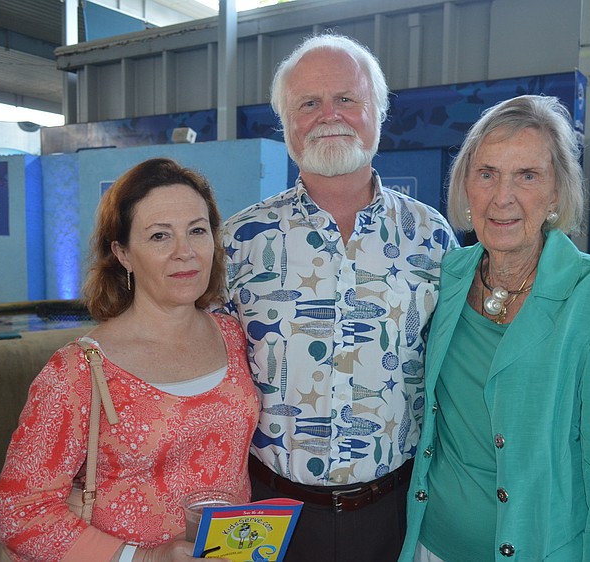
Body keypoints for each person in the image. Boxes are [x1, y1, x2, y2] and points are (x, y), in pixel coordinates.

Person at [399, 95, 590, 561]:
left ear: (557, 193)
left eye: (527, 176)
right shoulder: (445, 278)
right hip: (432, 545)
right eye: (487, 174)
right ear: (466, 187)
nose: (503, 197)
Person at [222, 33, 455, 562]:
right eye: (309, 103)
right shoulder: (238, 242)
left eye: (346, 99)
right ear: (286, 124)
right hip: (265, 511)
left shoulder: (431, 237)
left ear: (378, 112)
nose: (329, 115)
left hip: (393, 511)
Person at [0, 158, 259, 562]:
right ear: (123, 253)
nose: (184, 253)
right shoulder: (78, 372)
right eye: (159, 237)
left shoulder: (234, 337)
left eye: (197, 231)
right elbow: (18, 512)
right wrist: (144, 557)